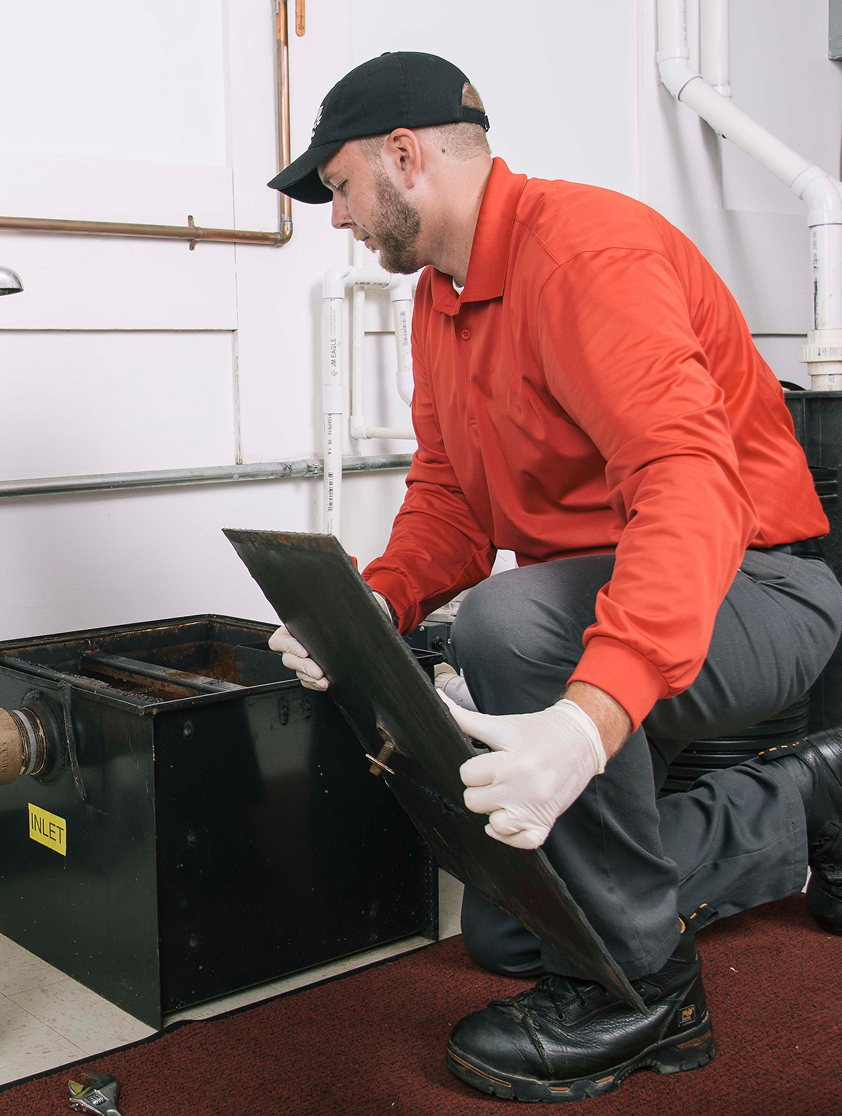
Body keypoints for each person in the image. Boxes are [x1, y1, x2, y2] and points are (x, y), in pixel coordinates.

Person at [267, 52, 842, 1103]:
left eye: (339, 186)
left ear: (404, 156)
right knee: (508, 930)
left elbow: (688, 488)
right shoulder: (441, 305)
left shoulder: (586, 253)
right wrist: (367, 605)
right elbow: (449, 500)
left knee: (511, 625)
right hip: (605, 612)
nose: (337, 218)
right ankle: (803, 796)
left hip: (759, 591)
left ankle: (648, 997)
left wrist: (586, 720)